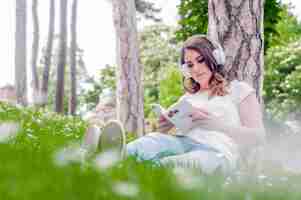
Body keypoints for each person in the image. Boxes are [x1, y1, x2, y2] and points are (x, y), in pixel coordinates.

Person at [82, 34, 266, 174]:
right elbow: (164, 130)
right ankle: (105, 154)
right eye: (190, 64)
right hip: (184, 141)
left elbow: (258, 137)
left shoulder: (239, 90)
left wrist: (214, 124)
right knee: (150, 142)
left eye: (201, 60)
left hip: (218, 151)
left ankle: (105, 162)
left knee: (166, 167)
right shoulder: (187, 98)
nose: (196, 68)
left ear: (215, 58)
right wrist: (164, 124)